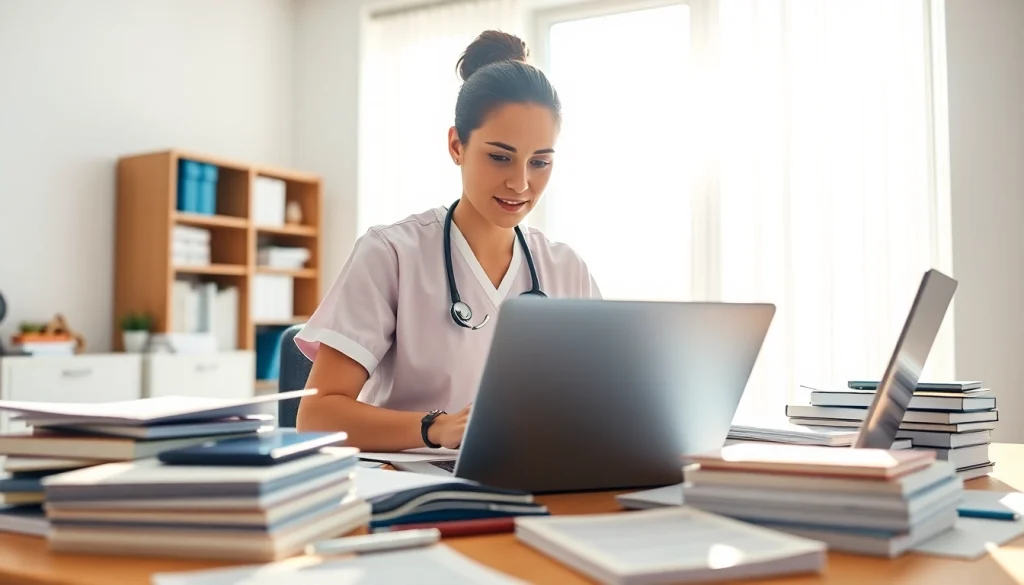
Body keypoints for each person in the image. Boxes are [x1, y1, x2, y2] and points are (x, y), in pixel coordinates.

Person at [293, 30, 601, 452]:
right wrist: (434, 429)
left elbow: (603, 404)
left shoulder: (567, 270)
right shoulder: (392, 253)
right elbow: (317, 415)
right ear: (457, 145)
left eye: (540, 162)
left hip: (529, 479)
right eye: (499, 156)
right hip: (413, 489)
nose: (520, 182)